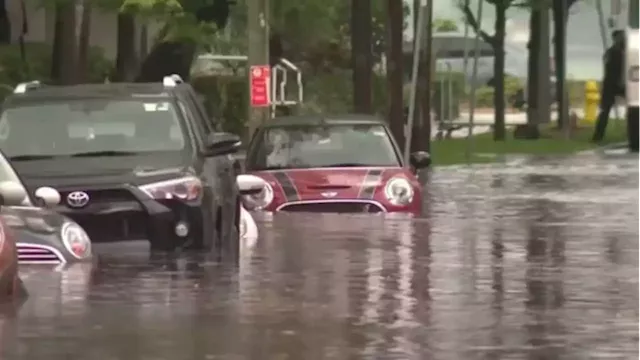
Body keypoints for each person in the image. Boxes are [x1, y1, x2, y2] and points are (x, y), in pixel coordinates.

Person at [592, 30, 625, 142]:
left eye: (623, 37)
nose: (622, 39)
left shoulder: (627, 51)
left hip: (623, 83)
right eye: (620, 37)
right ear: (615, 39)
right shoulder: (611, 52)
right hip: (611, 83)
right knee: (605, 110)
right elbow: (608, 67)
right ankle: (597, 137)